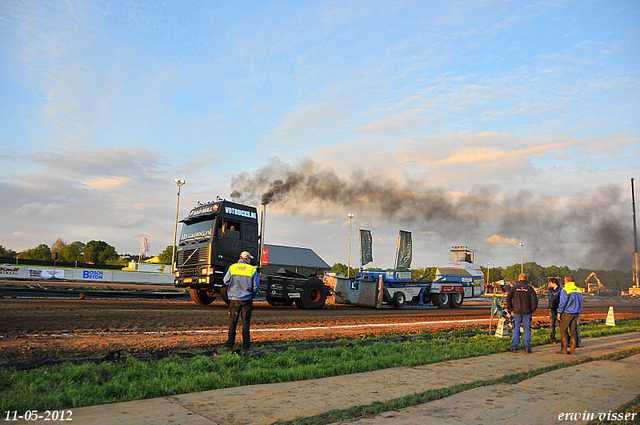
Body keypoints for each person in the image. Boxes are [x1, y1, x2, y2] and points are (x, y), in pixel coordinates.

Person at [223, 251, 259, 351]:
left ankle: (230, 345)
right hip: (246, 299)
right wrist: (252, 295)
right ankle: (246, 346)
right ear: (247, 259)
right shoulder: (252, 269)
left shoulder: (232, 267)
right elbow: (256, 286)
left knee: (232, 322)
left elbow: (225, 281)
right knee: (245, 323)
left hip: (234, 299)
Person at [506, 273, 538, 353]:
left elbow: (508, 298)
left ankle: (514, 347)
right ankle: (527, 347)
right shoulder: (530, 288)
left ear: (519, 279)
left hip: (516, 311)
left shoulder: (514, 288)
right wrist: (532, 309)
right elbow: (534, 300)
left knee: (516, 328)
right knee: (527, 329)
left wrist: (511, 309)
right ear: (525, 279)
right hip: (527, 311)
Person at [557, 275, 583, 355]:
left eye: (564, 280)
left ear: (567, 281)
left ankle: (563, 349)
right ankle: (572, 350)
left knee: (563, 330)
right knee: (573, 331)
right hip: (576, 313)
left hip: (567, 312)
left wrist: (559, 312)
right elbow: (581, 302)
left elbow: (563, 302)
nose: (564, 282)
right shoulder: (578, 290)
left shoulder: (565, 289)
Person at [547, 277, 561, 344]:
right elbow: (550, 299)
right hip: (552, 309)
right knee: (552, 324)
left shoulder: (560, 290)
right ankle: (552, 338)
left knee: (560, 324)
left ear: (554, 283)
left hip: (558, 309)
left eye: (550, 283)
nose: (549, 284)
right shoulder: (550, 290)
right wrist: (549, 306)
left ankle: (564, 338)